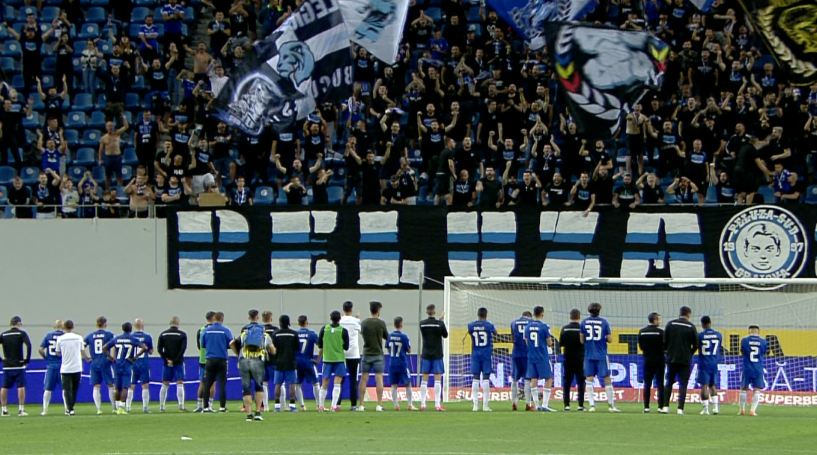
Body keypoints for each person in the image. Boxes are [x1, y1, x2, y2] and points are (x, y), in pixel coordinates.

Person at [231, 309, 272, 421]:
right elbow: (272, 349)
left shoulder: (244, 332)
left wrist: (238, 354)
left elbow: (232, 343)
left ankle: (249, 414)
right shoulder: (264, 333)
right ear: (258, 318)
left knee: (246, 388)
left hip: (244, 360)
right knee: (259, 387)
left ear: (249, 317)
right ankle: (258, 412)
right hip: (258, 361)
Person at [580, 303, 620, 413]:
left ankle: (592, 405)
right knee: (607, 378)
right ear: (599, 311)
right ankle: (611, 406)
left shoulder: (584, 322)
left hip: (589, 355)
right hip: (601, 354)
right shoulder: (604, 322)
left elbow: (582, 340)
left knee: (589, 379)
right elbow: (610, 339)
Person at [105, 322, 147, 415]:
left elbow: (105, 347)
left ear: (122, 329)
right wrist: (135, 357)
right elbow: (144, 347)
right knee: (125, 387)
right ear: (130, 329)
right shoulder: (133, 339)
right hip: (127, 365)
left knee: (117, 387)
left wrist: (111, 358)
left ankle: (116, 407)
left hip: (117, 364)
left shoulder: (117, 338)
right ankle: (121, 407)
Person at [663, 306, 698, 415]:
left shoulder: (670, 324)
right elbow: (696, 345)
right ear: (688, 314)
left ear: (680, 313)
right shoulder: (691, 326)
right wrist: (689, 353)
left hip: (671, 359)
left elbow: (664, 342)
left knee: (669, 382)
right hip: (685, 360)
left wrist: (668, 352)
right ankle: (680, 409)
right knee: (683, 384)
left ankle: (665, 407)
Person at [523, 306, 555, 412]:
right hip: (542, 356)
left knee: (533, 379)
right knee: (548, 379)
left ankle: (536, 405)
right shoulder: (544, 326)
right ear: (542, 313)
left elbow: (527, 342)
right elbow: (549, 343)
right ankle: (545, 405)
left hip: (531, 356)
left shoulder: (527, 327)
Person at [358, 301, 389, 412]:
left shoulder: (364, 323)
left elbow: (362, 333)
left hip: (366, 353)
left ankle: (361, 404)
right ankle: (379, 405)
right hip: (378, 354)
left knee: (363, 379)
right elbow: (387, 336)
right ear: (378, 310)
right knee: (379, 378)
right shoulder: (381, 323)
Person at [317, 310, 350, 412]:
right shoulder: (343, 331)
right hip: (339, 359)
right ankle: (333, 406)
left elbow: (319, 345)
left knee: (324, 383)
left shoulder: (324, 329)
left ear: (330, 318)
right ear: (339, 319)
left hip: (327, 359)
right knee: (337, 384)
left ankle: (321, 406)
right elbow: (346, 347)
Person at [201, 312, 233, 412]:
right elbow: (231, 343)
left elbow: (203, 344)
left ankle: (206, 407)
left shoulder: (206, 330)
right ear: (222, 319)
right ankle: (222, 407)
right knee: (222, 384)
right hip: (222, 359)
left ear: (214, 318)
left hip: (210, 359)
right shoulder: (226, 330)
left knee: (207, 384)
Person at [0, 316, 32, 416]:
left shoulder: (4, 334)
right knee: (21, 386)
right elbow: (29, 345)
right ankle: (21, 409)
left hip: (7, 365)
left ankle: (4, 409)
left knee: (4, 386)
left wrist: (1, 359)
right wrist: (27, 359)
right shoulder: (21, 333)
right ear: (18, 324)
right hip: (19, 364)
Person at [419, 304, 448, 411]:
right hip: (437, 354)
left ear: (427, 312)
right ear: (434, 312)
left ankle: (423, 404)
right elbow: (445, 335)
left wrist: (439, 321)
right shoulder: (439, 324)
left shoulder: (422, 324)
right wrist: (441, 321)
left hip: (426, 353)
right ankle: (437, 404)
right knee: (437, 379)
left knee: (424, 379)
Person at [84, 316, 116, 414]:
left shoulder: (90, 336)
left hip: (94, 362)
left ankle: (98, 409)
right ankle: (114, 408)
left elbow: (82, 346)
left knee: (96, 386)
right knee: (110, 385)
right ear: (105, 323)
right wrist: (112, 357)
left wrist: (86, 358)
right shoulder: (109, 334)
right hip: (105, 362)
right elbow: (114, 346)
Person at [467, 307, 496, 412]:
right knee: (486, 379)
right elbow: (495, 333)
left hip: (475, 354)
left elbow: (470, 332)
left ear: (477, 314)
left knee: (475, 378)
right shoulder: (489, 325)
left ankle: (475, 405)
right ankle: (485, 405)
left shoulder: (471, 325)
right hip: (486, 354)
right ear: (486, 315)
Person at [55, 320, 86, 416]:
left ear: (64, 327)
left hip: (65, 368)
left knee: (67, 389)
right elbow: (82, 351)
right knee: (75, 389)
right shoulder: (79, 338)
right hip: (77, 367)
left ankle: (70, 408)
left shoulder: (60, 339)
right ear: (73, 327)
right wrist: (87, 358)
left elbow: (57, 352)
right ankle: (71, 406)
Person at [157, 316, 188, 412]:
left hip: (167, 363)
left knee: (165, 383)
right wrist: (175, 360)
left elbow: (159, 349)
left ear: (170, 323)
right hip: (178, 362)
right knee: (180, 383)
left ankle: (162, 406)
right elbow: (182, 350)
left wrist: (166, 359)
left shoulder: (163, 334)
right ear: (178, 324)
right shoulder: (182, 335)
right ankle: (181, 405)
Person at [638, 312, 665, 413]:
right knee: (660, 384)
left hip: (647, 360)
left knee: (647, 384)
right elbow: (665, 346)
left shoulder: (642, 332)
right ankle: (660, 407)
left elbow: (641, 346)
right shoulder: (661, 332)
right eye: (659, 319)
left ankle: (646, 407)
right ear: (655, 320)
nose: (660, 321)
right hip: (659, 360)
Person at [387, 317, 416, 411]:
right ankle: (410, 404)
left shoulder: (389, 336)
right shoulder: (404, 337)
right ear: (401, 324)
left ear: (394, 324)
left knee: (394, 385)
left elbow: (387, 348)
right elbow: (409, 350)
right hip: (402, 363)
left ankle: (396, 405)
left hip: (392, 363)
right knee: (408, 384)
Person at [559, 309, 585, 412]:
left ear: (570, 316)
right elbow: (584, 342)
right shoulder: (582, 329)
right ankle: (580, 405)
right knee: (581, 381)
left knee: (567, 381)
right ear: (579, 317)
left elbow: (561, 343)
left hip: (568, 357)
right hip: (580, 358)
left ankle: (566, 405)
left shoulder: (565, 329)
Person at [272, 315, 299, 413]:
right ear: (289, 322)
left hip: (279, 362)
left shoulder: (276, 334)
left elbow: (272, 348)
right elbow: (297, 348)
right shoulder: (294, 334)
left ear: (280, 322)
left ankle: (277, 406)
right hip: (291, 362)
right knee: (292, 384)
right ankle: (292, 405)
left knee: (278, 384)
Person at [739, 325, 768, 416]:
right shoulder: (763, 341)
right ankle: (752, 411)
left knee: (743, 389)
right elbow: (764, 353)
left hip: (747, 367)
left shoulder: (744, 341)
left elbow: (742, 351)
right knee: (757, 390)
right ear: (758, 331)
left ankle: (742, 410)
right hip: (758, 368)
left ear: (749, 331)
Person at [697, 316, 723, 415]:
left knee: (704, 386)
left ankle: (706, 409)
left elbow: (697, 346)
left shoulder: (700, 335)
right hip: (714, 362)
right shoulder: (718, 335)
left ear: (702, 324)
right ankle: (716, 408)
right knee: (712, 385)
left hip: (704, 363)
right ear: (710, 323)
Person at [38, 320, 64, 415]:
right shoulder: (64, 336)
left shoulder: (48, 335)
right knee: (65, 388)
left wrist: (46, 358)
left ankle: (45, 409)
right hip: (62, 365)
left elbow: (40, 349)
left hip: (51, 365)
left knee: (48, 388)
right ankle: (67, 409)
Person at [338, 301, 361, 411]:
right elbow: (361, 331)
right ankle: (353, 405)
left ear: (343, 309)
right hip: (354, 353)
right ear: (351, 309)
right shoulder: (356, 321)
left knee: (339, 379)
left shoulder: (340, 320)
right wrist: (357, 318)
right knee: (353, 379)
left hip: (341, 353)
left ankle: (337, 404)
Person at [128, 319, 154, 413]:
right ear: (142, 325)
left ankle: (128, 407)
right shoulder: (147, 337)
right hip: (143, 363)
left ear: (134, 326)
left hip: (132, 363)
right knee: (145, 386)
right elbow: (151, 351)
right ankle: (145, 408)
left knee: (131, 385)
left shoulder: (130, 337)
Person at [295, 315, 320, 411]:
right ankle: (318, 405)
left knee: (297, 384)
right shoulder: (312, 334)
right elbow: (321, 346)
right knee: (316, 383)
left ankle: (302, 406)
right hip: (308, 361)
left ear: (298, 323)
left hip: (297, 362)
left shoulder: (295, 334)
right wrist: (318, 359)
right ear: (307, 322)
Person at [194, 311, 216, 412]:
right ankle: (210, 405)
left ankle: (199, 405)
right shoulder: (216, 330)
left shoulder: (201, 330)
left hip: (203, 359)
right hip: (213, 359)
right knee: (212, 384)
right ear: (214, 318)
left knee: (202, 383)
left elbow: (199, 346)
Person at [510, 311, 532, 411]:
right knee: (527, 379)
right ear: (529, 316)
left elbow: (512, 337)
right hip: (527, 354)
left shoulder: (513, 322)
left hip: (516, 353)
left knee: (514, 379)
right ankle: (528, 403)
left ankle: (514, 402)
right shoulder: (531, 323)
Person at [260, 311, 278, 412]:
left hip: (263, 360)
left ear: (262, 319)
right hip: (275, 360)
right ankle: (281, 405)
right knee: (279, 383)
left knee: (264, 384)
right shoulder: (276, 330)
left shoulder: (260, 330)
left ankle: (266, 406)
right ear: (271, 318)